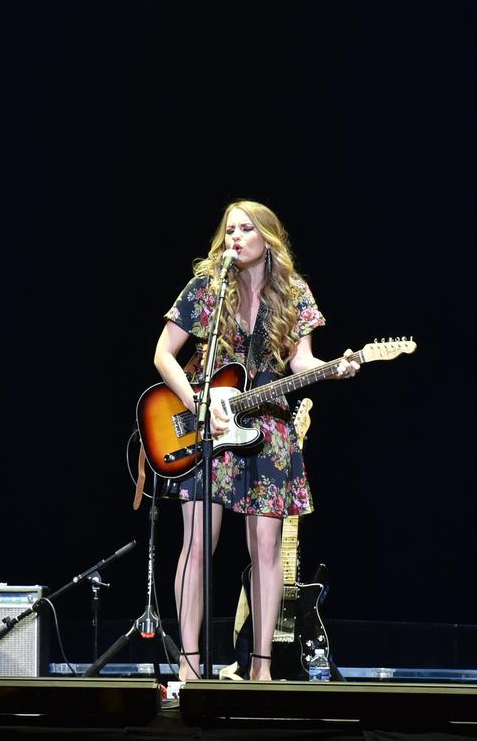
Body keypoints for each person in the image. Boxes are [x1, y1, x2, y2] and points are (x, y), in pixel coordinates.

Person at [152, 200, 358, 682]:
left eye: (246, 229)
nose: (236, 238)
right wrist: (199, 402)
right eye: (230, 230)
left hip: (268, 427)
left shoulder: (292, 291)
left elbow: (300, 362)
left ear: (268, 238)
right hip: (209, 423)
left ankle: (260, 669)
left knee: (266, 550)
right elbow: (163, 353)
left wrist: (334, 369)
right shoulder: (208, 287)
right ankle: (188, 665)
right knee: (196, 546)